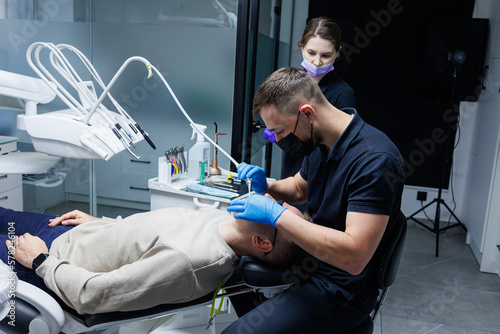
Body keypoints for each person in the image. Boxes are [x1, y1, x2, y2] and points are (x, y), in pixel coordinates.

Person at [223, 67, 405, 333]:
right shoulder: (321, 141)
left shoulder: (375, 161)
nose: (278, 140)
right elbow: (299, 187)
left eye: (281, 132)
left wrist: (277, 215)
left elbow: (354, 257)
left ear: (307, 113)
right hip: (311, 262)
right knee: (234, 275)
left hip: (341, 287)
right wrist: (268, 186)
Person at [0, 204, 299, 315]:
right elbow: (148, 234)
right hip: (73, 231)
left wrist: (39, 260)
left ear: (261, 242)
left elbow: (93, 295)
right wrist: (102, 223)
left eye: (277, 212)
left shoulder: (189, 262)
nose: (273, 202)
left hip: (47, 260)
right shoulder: (222, 218)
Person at [274, 17, 357, 211]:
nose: (317, 62)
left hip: (323, 180)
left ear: (338, 53)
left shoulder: (343, 94)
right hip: (291, 174)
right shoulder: (289, 85)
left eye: (326, 55)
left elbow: (340, 148)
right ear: (301, 46)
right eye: (311, 53)